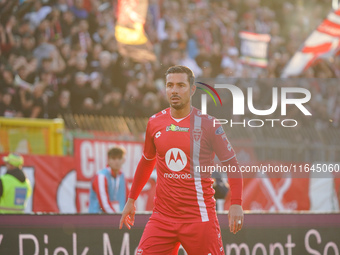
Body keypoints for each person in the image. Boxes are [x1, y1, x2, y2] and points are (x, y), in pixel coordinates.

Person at [119, 65, 243, 254]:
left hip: (199, 218)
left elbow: (232, 164)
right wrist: (131, 199)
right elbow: (146, 161)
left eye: (180, 85)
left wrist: (236, 203)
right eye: (170, 85)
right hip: (162, 218)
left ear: (192, 89)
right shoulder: (155, 122)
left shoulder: (209, 124)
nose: (174, 90)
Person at [88, 147, 128, 213]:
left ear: (123, 160)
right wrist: (117, 218)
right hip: (97, 218)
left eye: (119, 158)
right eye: (113, 158)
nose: (117, 161)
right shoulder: (101, 176)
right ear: (108, 160)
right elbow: (104, 204)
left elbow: (127, 198)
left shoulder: (122, 176)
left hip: (115, 218)